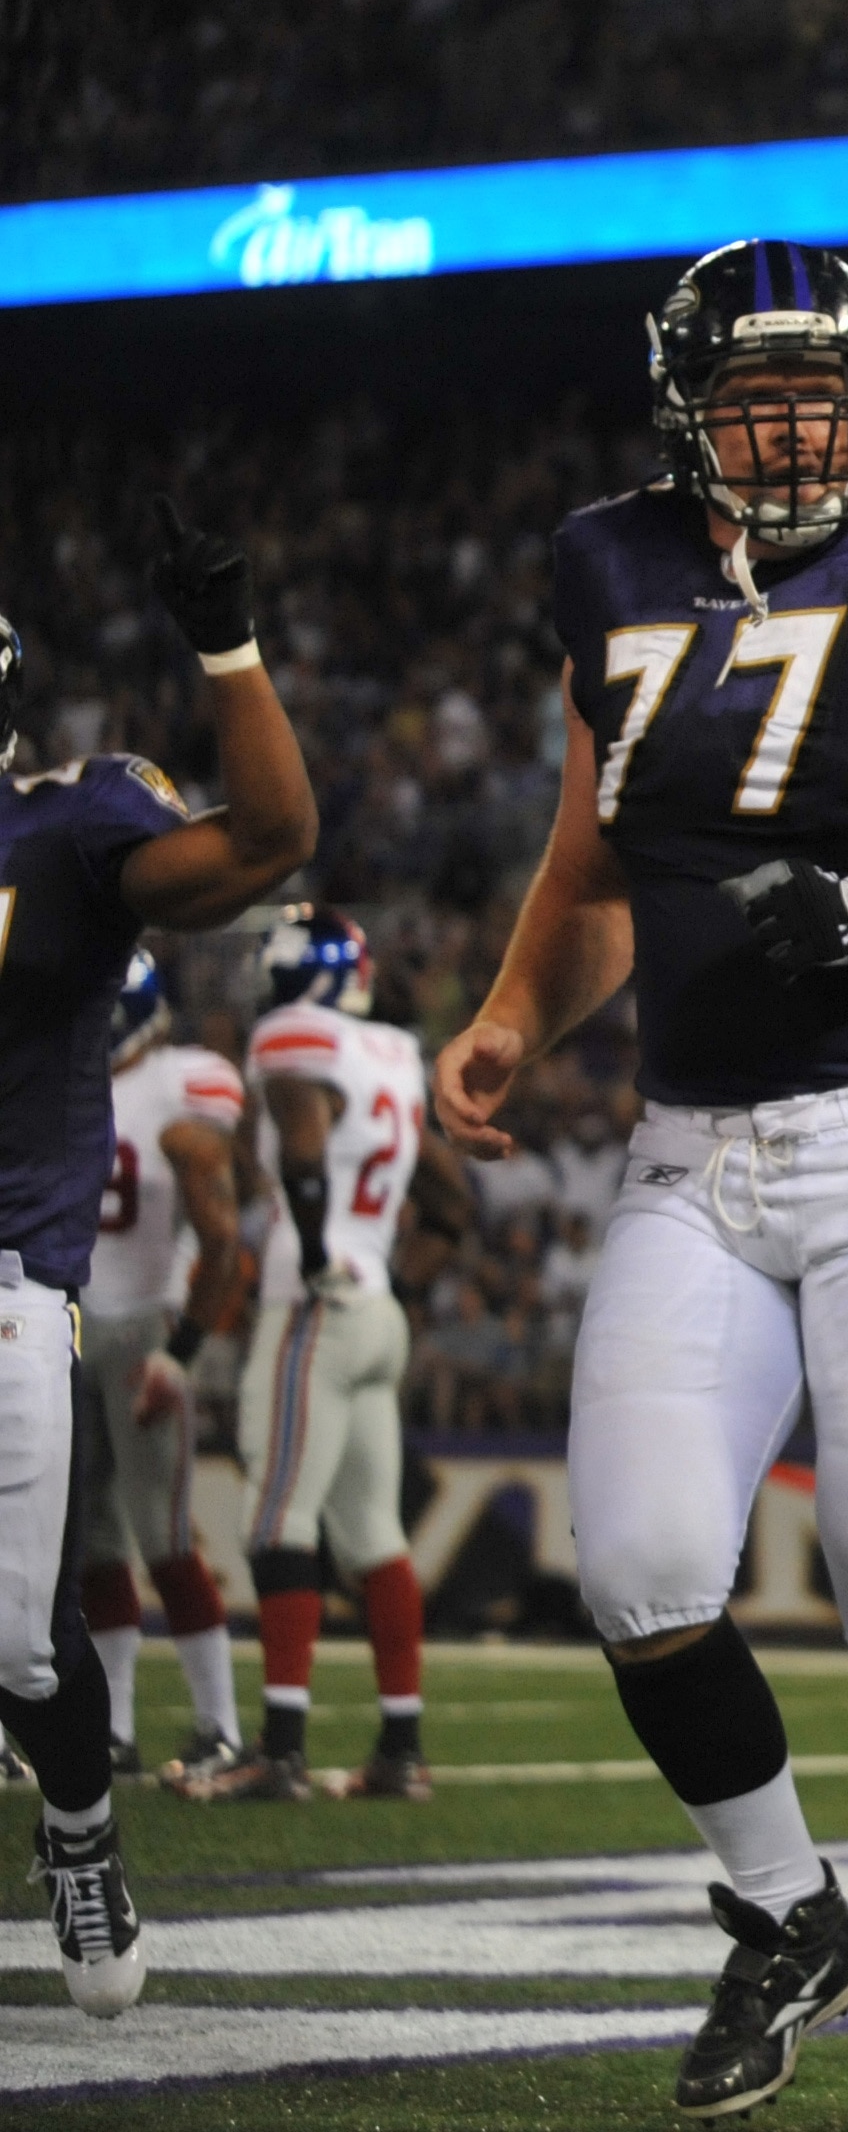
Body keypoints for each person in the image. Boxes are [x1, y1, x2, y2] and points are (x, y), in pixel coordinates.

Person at [431, 240, 848, 2132]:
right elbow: (591, 866)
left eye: (819, 394)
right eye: (753, 399)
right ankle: (787, 1907)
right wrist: (509, 1021)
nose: (795, 429)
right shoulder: (612, 564)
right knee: (643, 1569)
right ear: (688, 415)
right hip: (691, 1140)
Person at [0, 518, 320, 2018]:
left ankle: (80, 1836)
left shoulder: (62, 828)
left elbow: (268, 840)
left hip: (11, 1279)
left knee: (19, 1639)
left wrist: (228, 652)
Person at [177, 907, 473, 1801]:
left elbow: (303, 1147)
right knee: (374, 1536)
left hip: (319, 1302)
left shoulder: (295, 1039)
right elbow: (449, 1197)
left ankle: (281, 1750)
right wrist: (400, 1284)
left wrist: (311, 1254)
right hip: (374, 1301)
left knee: (276, 1520)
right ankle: (401, 1749)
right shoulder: (390, 1052)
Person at [76, 951, 252, 1789]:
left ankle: (219, 1725)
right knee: (93, 1546)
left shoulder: (186, 1084)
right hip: (69, 1324)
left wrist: (179, 1355)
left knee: (165, 1538)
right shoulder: (65, 1076)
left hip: (144, 1321)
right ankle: (112, 1728)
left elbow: (223, 1229)